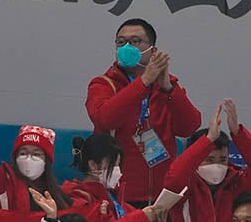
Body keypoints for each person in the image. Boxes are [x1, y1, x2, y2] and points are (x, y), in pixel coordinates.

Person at [86, 18, 201, 207]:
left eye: (135, 41)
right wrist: (143, 82)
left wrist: (167, 88)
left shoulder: (168, 87)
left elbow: (189, 127)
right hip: (115, 194)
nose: (127, 47)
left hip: (161, 197)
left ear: (153, 50)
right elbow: (105, 120)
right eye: (121, 42)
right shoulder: (103, 84)